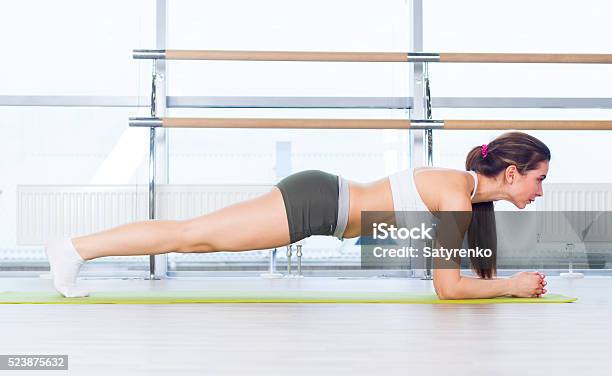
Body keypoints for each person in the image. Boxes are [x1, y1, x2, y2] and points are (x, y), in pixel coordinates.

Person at [46, 131, 549, 299]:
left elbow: (449, 274)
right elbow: (448, 288)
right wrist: (513, 285)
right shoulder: (458, 196)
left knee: (193, 236)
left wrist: (501, 282)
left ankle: (75, 249)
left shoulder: (464, 195)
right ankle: (73, 249)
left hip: (320, 202)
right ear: (509, 173)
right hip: (314, 203)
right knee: (192, 236)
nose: (539, 190)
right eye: (538, 178)